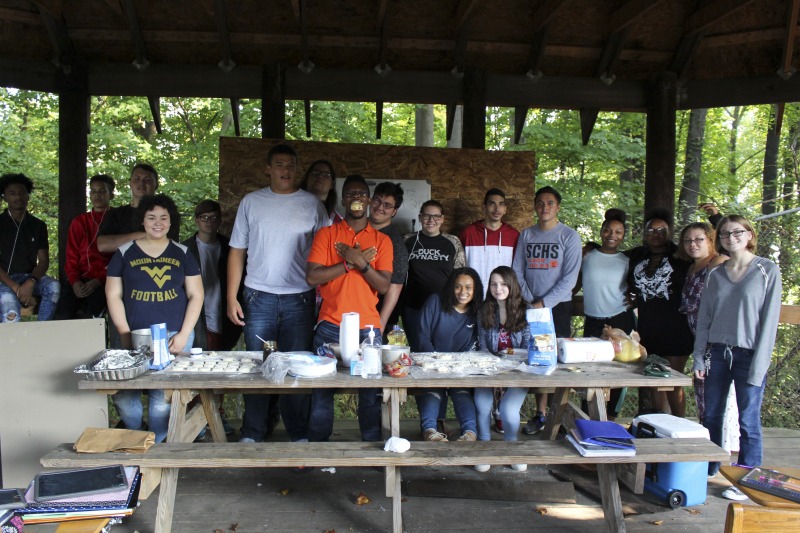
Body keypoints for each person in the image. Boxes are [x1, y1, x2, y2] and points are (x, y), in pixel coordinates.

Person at [227, 143, 329, 443]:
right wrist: (232, 297)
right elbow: (236, 252)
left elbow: (326, 252)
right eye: (280, 165)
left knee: (297, 366)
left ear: (297, 169)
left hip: (300, 298)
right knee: (261, 365)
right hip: (259, 299)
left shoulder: (312, 205)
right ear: (268, 169)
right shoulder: (251, 202)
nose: (286, 170)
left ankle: (298, 433)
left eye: (291, 165)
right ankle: (253, 433)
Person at [692, 215, 782, 501]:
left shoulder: (767, 270)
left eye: (738, 232)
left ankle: (746, 478)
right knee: (712, 416)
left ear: (749, 234)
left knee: (748, 421)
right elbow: (704, 318)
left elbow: (769, 323)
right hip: (716, 353)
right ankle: (710, 467)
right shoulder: (715, 274)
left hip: (749, 355)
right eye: (726, 234)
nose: (731, 237)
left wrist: (760, 364)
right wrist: (698, 358)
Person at [105, 194, 203, 442]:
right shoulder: (124, 252)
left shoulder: (183, 253)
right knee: (126, 396)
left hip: (172, 336)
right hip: (132, 334)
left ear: (171, 222)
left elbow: (196, 295)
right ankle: (136, 437)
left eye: (163, 217)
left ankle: (157, 444)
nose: (157, 222)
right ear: (142, 220)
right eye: (151, 217)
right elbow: (113, 294)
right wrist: (124, 334)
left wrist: (183, 335)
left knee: (162, 399)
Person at [306, 175, 393, 442]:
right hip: (330, 324)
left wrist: (360, 262)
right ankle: (318, 450)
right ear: (343, 199)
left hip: (368, 328)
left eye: (362, 193)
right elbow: (312, 277)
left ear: (368, 200)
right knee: (322, 392)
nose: (356, 198)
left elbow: (384, 285)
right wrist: (348, 263)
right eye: (351, 193)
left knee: (369, 393)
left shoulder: (382, 240)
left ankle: (371, 448)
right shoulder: (327, 234)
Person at [512, 186, 581, 434]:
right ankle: (540, 414)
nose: (544, 207)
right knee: (536, 357)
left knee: (557, 360)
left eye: (550, 203)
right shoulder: (527, 235)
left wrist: (544, 302)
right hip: (531, 306)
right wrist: (531, 300)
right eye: (540, 203)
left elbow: (570, 278)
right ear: (534, 206)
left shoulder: (569, 236)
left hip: (557, 307)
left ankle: (558, 416)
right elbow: (517, 269)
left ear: (558, 207)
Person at [627, 208, 693, 416]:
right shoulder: (637, 255)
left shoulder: (681, 256)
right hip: (649, 327)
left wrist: (715, 218)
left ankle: (678, 422)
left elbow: (712, 253)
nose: (656, 234)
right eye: (651, 230)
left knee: (673, 380)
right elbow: (610, 255)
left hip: (676, 327)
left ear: (669, 233)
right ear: (645, 233)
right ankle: (658, 424)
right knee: (654, 378)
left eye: (661, 230)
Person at [416, 267, 482, 442]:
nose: (463, 292)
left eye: (468, 287)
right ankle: (429, 431)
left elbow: (473, 344)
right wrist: (437, 363)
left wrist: (457, 366)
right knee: (434, 390)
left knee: (461, 392)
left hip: (460, 366)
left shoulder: (477, 312)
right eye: (458, 286)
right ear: (451, 287)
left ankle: (469, 433)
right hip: (432, 363)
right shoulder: (435, 302)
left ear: (475, 290)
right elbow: (423, 336)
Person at [579, 208, 635, 419]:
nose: (612, 235)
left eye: (618, 232)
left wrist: (636, 298)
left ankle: (611, 417)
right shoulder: (586, 255)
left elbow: (637, 286)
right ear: (601, 231)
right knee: (588, 369)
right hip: (593, 320)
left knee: (619, 370)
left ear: (623, 236)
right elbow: (573, 285)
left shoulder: (627, 260)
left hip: (620, 318)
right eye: (608, 230)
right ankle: (586, 416)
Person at [473, 266, 530, 471]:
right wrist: (494, 375)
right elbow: (482, 346)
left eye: (503, 284)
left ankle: (511, 446)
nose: (498, 288)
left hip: (518, 371)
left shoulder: (526, 310)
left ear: (512, 285)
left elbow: (527, 349)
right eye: (494, 284)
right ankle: (484, 446)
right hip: (489, 369)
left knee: (508, 409)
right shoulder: (484, 310)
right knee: (482, 403)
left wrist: (506, 375)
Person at [677, 221, 727, 425]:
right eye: (688, 240)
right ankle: (708, 435)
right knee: (702, 390)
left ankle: (724, 445)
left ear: (710, 240)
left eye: (699, 239)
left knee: (715, 393)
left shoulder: (718, 261)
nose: (693, 244)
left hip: (715, 338)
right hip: (697, 338)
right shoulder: (691, 266)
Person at [403, 200, 465, 352]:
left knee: (441, 352)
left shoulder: (453, 242)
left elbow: (461, 275)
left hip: (444, 308)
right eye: (427, 216)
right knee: (418, 351)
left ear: (442, 219)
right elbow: (398, 275)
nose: (431, 221)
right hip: (414, 307)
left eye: (436, 216)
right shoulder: (407, 241)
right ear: (420, 217)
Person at [183, 200, 242, 351]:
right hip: (198, 315)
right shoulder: (185, 249)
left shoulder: (231, 248)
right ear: (197, 220)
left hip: (223, 312)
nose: (209, 222)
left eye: (214, 218)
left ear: (220, 221)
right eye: (204, 218)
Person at [0, 173, 60, 322]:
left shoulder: (38, 225)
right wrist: (15, 287)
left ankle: (42, 332)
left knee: (54, 288)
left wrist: (30, 282)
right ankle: (13, 345)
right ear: (4, 197)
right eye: (12, 193)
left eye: (22, 193)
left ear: (28, 196)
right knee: (10, 310)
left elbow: (44, 261)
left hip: (30, 277)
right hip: (4, 280)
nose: (18, 197)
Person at [58, 174, 115, 319]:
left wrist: (99, 280)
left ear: (111, 194)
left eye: (102, 191)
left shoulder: (117, 220)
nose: (97, 195)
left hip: (106, 280)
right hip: (80, 280)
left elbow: (119, 257)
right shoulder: (79, 222)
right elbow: (71, 257)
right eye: (93, 191)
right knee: (62, 315)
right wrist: (75, 282)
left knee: (90, 315)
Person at [97, 163, 179, 254]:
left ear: (156, 184)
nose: (141, 183)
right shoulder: (115, 214)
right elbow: (102, 245)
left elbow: (170, 244)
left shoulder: (168, 212)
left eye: (147, 180)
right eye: (137, 179)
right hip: (124, 266)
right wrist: (144, 235)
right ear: (130, 183)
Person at [459, 188, 520, 290]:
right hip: (473, 295)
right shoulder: (468, 233)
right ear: (484, 207)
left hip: (501, 296)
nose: (497, 209)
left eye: (501, 204)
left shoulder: (513, 235)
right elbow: (459, 267)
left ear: (505, 209)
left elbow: (518, 269)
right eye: (492, 204)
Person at [368, 182, 408, 331]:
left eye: (387, 205)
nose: (380, 207)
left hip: (376, 316)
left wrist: (381, 323)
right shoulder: (356, 228)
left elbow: (395, 286)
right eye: (377, 200)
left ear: (394, 212)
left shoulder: (395, 242)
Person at [300, 159, 342, 224]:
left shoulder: (337, 221)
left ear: (332, 184)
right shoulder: (291, 207)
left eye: (326, 174)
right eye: (316, 172)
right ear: (307, 179)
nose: (320, 176)